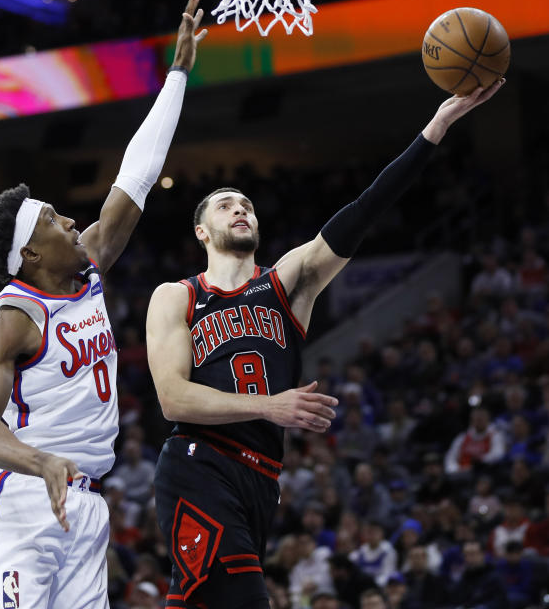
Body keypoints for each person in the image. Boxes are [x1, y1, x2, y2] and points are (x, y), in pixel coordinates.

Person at [146, 79, 503, 608]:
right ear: (201, 231)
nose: (240, 210)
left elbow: (365, 209)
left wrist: (436, 128)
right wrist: (271, 405)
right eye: (225, 206)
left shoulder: (287, 282)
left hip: (261, 476)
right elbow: (173, 399)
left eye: (246, 205)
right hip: (199, 461)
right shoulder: (178, 296)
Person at [0, 0, 207, 609]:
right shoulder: (12, 318)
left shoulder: (90, 267)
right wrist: (38, 461)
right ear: (31, 255)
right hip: (21, 500)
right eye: (50, 219)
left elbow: (138, 174)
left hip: (86, 503)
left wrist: (177, 74)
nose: (69, 220)